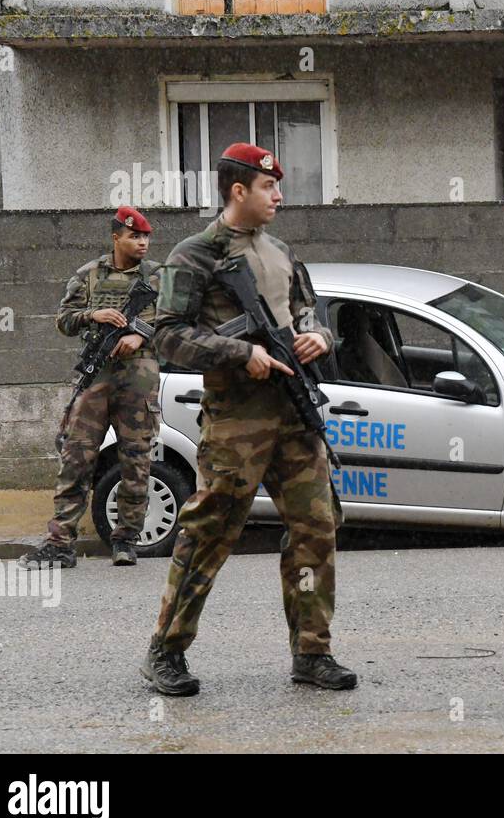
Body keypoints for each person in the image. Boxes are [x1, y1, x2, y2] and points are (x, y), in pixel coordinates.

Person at [141, 142, 356, 696]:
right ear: (239, 190)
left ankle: (312, 652)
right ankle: (165, 651)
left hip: (293, 412)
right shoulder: (194, 255)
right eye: (268, 187)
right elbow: (166, 335)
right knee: (209, 532)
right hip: (236, 420)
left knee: (316, 529)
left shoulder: (280, 250)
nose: (279, 196)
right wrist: (241, 354)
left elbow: (309, 309)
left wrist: (318, 336)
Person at [19, 206, 160, 569]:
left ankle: (126, 541)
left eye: (145, 236)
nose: (142, 243)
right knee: (75, 459)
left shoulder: (159, 277)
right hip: (96, 379)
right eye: (134, 236)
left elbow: (180, 317)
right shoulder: (88, 275)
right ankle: (60, 544)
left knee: (136, 462)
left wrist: (139, 333)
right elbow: (63, 322)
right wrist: (91, 316)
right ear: (116, 237)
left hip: (138, 380)